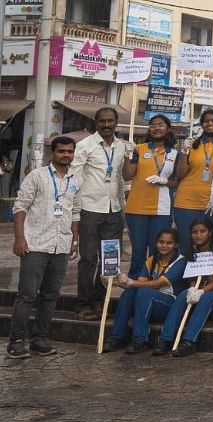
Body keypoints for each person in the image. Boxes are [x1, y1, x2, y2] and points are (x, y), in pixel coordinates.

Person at [7, 137, 79, 358]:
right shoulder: (37, 176)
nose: (65, 155)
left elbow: (75, 211)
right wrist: (19, 239)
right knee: (27, 295)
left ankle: (40, 339)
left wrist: (74, 239)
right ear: (52, 153)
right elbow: (20, 207)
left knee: (50, 295)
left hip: (61, 245)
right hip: (35, 243)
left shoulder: (75, 179)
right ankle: (16, 341)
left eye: (69, 151)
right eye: (61, 151)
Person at [72, 107, 132, 321]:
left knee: (110, 260)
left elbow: (122, 178)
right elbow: (75, 178)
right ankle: (84, 303)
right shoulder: (84, 146)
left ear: (116, 123)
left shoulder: (122, 146)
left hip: (114, 209)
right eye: (102, 121)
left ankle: (100, 300)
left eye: (110, 121)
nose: (107, 125)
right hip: (90, 208)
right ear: (96, 123)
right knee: (88, 258)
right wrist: (75, 210)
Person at [103, 227, 187, 355]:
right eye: (161, 242)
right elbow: (140, 283)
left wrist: (130, 282)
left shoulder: (181, 262)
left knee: (144, 292)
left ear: (176, 245)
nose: (164, 245)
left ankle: (140, 339)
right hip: (148, 302)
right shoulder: (152, 260)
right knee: (129, 294)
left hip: (169, 305)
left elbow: (159, 283)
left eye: (169, 243)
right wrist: (115, 283)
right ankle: (117, 337)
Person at [158, 218, 213, 357]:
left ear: (209, 232)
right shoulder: (191, 250)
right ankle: (165, 339)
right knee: (182, 296)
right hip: (199, 286)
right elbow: (192, 276)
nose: (198, 235)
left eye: (202, 231)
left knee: (205, 299)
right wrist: (192, 288)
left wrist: (201, 291)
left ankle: (189, 342)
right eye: (194, 232)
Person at [124, 114, 180, 277]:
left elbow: (176, 182)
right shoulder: (139, 149)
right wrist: (127, 156)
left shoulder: (175, 154)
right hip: (136, 208)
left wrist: (164, 181)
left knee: (158, 251)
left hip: (161, 210)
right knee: (138, 252)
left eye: (160, 125)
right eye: (153, 125)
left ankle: (152, 284)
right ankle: (133, 283)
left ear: (168, 128)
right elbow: (127, 175)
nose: (156, 128)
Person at [173, 109, 213, 231]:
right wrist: (183, 152)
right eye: (206, 121)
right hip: (185, 202)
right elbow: (180, 174)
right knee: (186, 243)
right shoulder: (192, 145)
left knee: (208, 246)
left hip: (211, 203)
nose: (210, 123)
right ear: (202, 125)